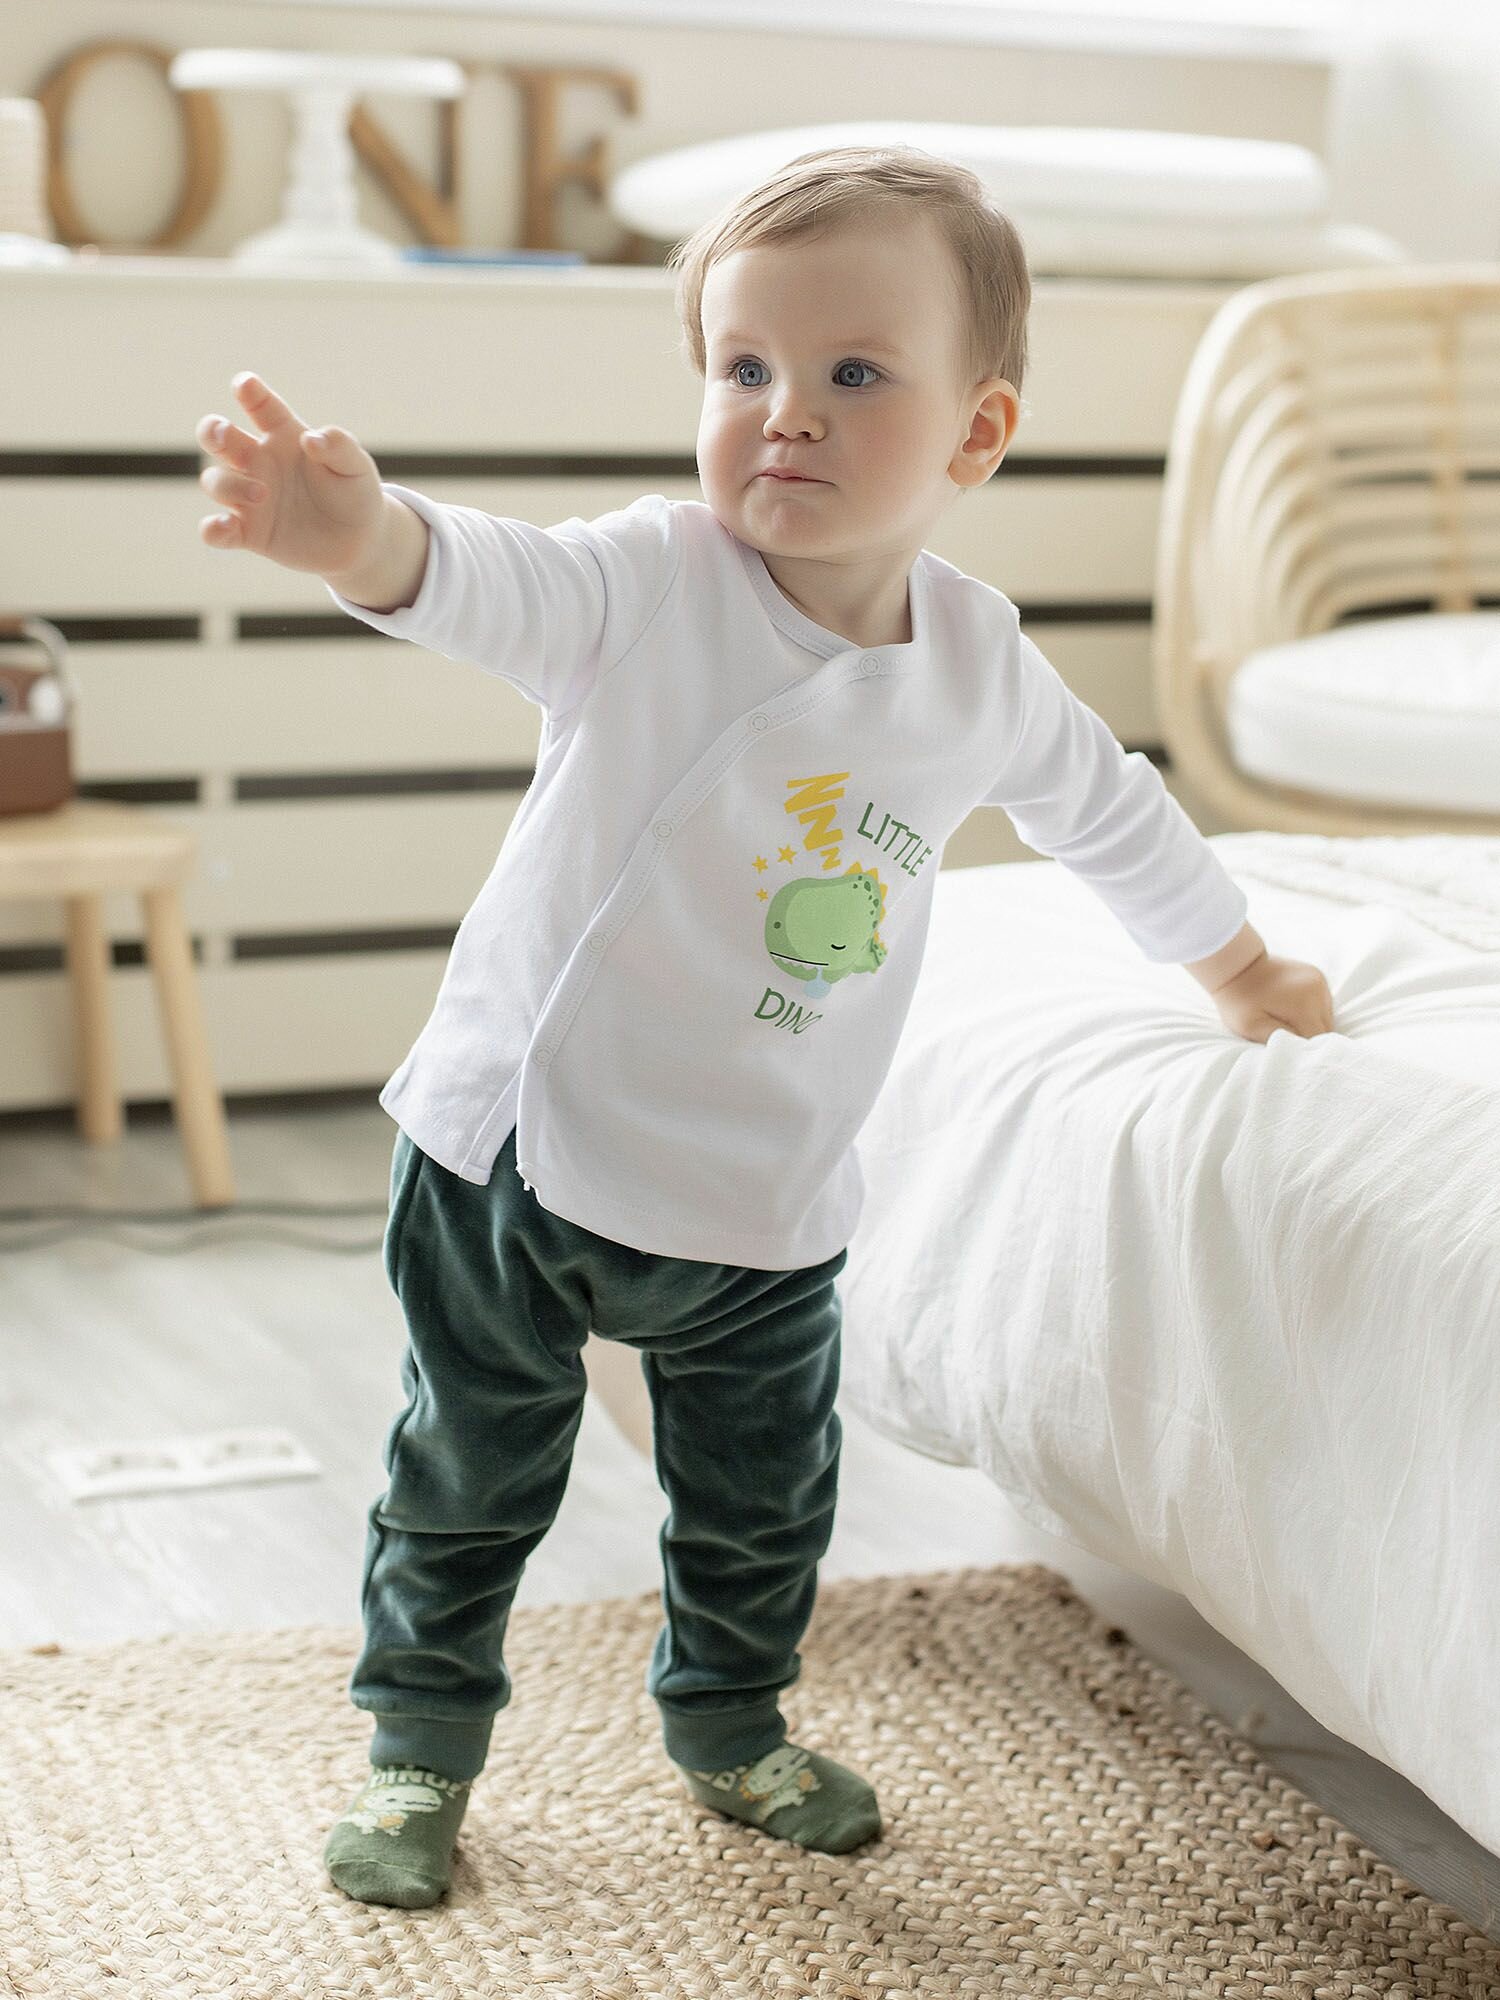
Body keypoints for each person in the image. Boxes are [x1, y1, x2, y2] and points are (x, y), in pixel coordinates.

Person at [193, 145, 1336, 1909]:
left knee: (762, 1501)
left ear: (978, 432)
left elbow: (1108, 813)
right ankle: (419, 1743)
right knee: (468, 1478)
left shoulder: (978, 668)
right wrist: (362, 537)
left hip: (765, 1191)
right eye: (744, 369)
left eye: (853, 372)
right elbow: (492, 577)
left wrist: (1240, 968)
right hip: (516, 1158)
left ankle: (730, 1725)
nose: (784, 413)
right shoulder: (655, 580)